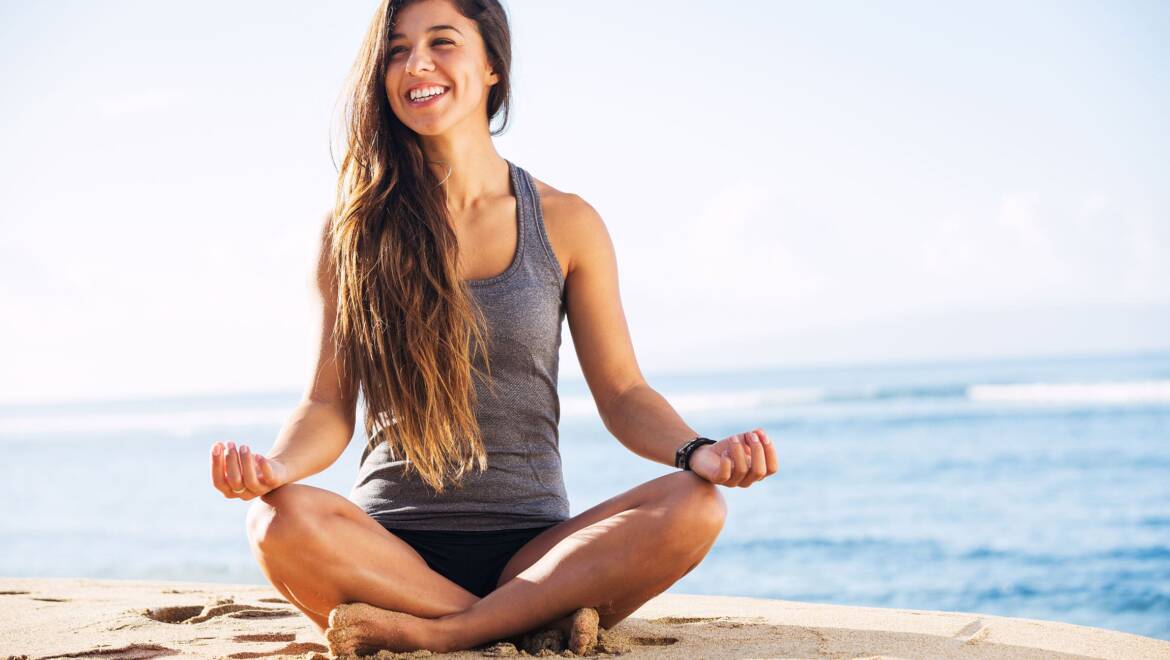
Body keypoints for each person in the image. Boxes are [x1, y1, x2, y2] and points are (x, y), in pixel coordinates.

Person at [208, 0, 779, 654]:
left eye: (441, 42)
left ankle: (444, 633)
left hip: (537, 553)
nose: (415, 64)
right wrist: (276, 466)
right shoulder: (354, 231)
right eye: (395, 50)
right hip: (389, 553)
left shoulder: (566, 222)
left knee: (697, 506)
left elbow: (622, 393)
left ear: (492, 69)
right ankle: (518, 623)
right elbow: (327, 404)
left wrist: (695, 451)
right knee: (275, 521)